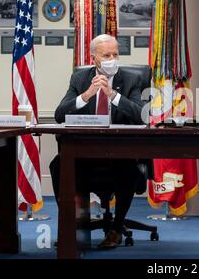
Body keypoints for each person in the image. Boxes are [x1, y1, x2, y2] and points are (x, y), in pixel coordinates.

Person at [50, 34, 146, 249]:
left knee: (129, 169)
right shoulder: (80, 79)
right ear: (94, 59)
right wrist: (86, 95)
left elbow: (142, 115)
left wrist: (113, 95)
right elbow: (59, 115)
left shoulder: (130, 79)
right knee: (57, 166)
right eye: (106, 55)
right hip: (85, 154)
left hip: (119, 154)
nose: (112, 59)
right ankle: (70, 227)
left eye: (115, 54)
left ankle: (116, 229)